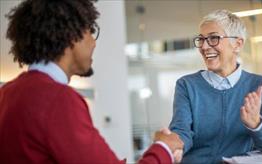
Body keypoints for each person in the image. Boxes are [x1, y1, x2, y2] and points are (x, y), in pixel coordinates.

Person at [0, 0, 183, 163]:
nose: (94, 43)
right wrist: (163, 148)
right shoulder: (59, 100)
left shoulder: (6, 93)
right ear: (72, 35)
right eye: (91, 31)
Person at [169, 9, 262, 163]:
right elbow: (182, 131)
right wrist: (174, 145)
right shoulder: (187, 85)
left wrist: (256, 124)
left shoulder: (259, 85)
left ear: (237, 44)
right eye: (201, 40)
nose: (204, 46)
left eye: (213, 38)